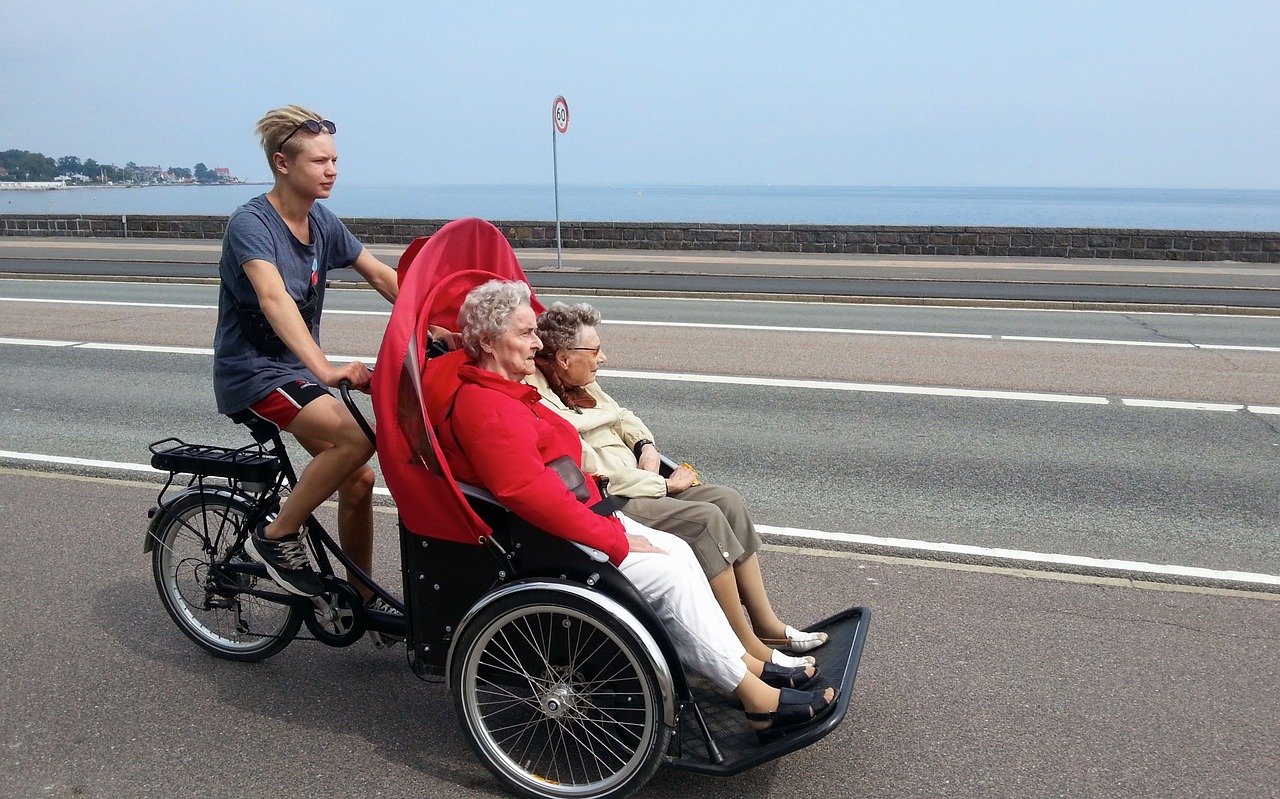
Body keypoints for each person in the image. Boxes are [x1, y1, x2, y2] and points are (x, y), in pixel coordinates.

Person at [433, 278, 838, 740]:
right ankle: (755, 697)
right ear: (486, 341)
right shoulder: (488, 408)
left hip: (587, 515)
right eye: (525, 334)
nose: (537, 343)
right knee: (671, 573)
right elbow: (529, 492)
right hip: (559, 538)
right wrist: (616, 539)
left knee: (682, 557)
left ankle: (744, 664)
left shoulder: (507, 392)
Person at [529, 301, 828, 667]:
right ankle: (744, 643)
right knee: (706, 521)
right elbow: (592, 471)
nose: (602, 358)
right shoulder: (541, 400)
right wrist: (663, 487)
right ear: (562, 358)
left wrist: (645, 445)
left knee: (728, 501)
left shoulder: (579, 381)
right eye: (594, 351)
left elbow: (622, 417)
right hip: (616, 498)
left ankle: (766, 624)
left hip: (643, 478)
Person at [212, 105, 399, 633]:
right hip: (255, 373)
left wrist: (440, 327)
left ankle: (362, 600)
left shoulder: (321, 221)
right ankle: (276, 535)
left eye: (335, 159)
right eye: (319, 161)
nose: (332, 170)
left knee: (358, 478)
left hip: (295, 373)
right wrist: (324, 368)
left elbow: (382, 276)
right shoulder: (252, 224)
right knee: (357, 442)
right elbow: (273, 297)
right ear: (282, 164)